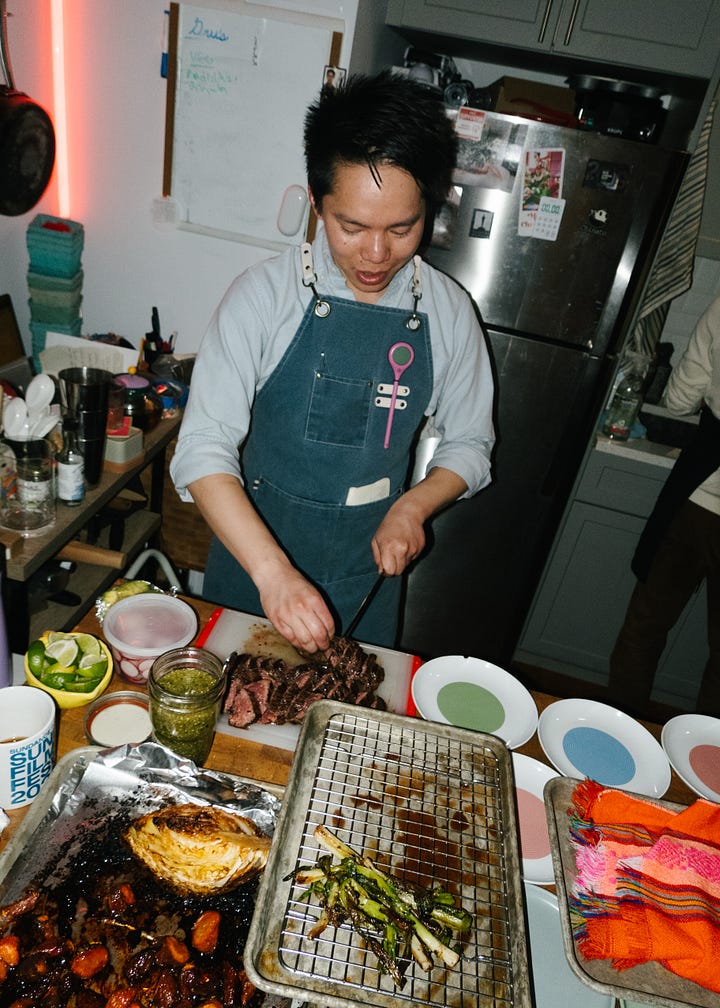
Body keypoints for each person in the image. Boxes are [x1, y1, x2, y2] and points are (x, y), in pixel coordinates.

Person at [170, 71, 495, 654]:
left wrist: (413, 507)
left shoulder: (448, 311)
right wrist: (273, 575)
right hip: (254, 570)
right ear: (318, 204)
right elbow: (202, 448)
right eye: (353, 227)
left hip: (365, 580)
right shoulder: (263, 298)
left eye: (402, 228)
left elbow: (470, 444)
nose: (377, 254)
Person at [608, 295, 720, 715]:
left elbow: (679, 400)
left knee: (645, 627)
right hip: (701, 491)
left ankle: (621, 731)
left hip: (699, 495)